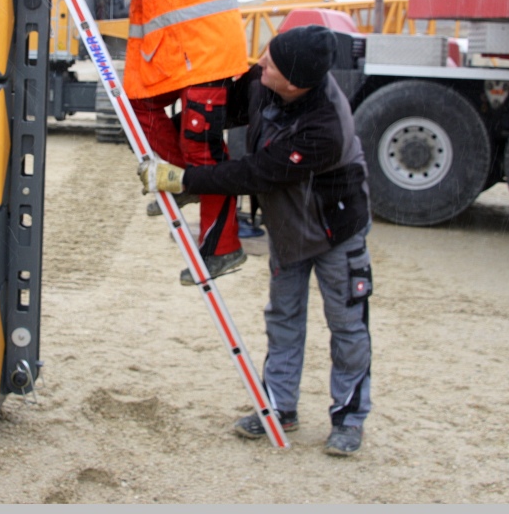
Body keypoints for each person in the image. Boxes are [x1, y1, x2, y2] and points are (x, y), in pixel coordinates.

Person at [138, 25, 373, 456]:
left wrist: (185, 179)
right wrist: (161, 127)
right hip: (288, 228)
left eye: (271, 62)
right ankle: (279, 407)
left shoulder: (325, 127)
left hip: (335, 231)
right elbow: (219, 112)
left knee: (346, 325)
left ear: (296, 84)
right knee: (283, 317)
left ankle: (349, 418)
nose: (260, 63)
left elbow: (256, 173)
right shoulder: (265, 83)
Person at [60, 0, 250, 286]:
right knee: (138, 108)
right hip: (188, 52)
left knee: (205, 152)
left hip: (202, 53)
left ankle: (223, 248)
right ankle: (183, 180)